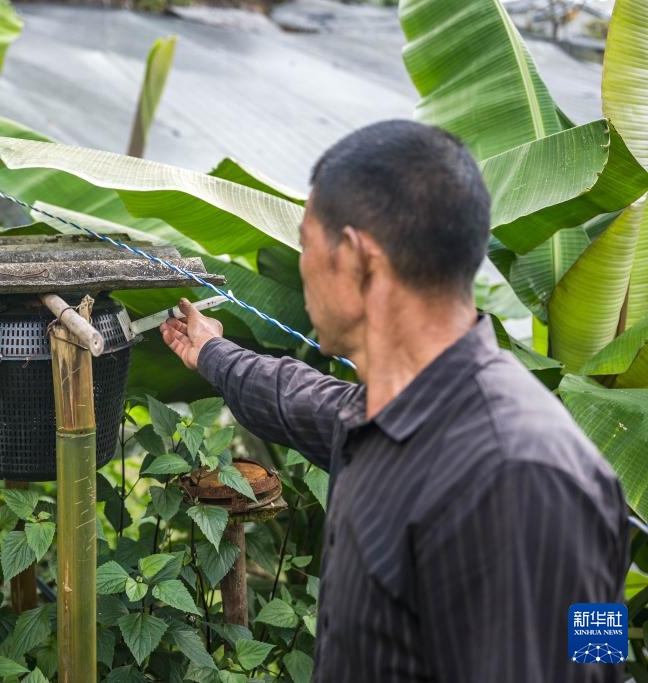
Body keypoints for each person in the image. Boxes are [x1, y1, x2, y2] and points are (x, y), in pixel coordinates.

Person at [159, 120, 629, 682]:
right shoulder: (391, 415)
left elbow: (590, 659)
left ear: (360, 260)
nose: (303, 265)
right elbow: (300, 399)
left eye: (307, 244)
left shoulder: (518, 475)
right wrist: (212, 353)